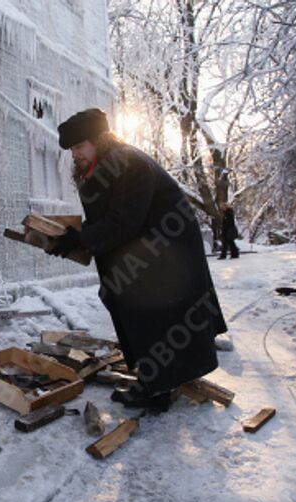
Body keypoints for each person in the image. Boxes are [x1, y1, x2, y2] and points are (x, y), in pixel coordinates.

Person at [47, 108, 227, 411]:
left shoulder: (130, 163)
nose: (74, 155)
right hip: (142, 245)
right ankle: (155, 378)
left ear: (97, 141)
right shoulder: (99, 168)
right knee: (129, 304)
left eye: (79, 147)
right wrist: (72, 239)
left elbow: (125, 219)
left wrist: (81, 238)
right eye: (72, 149)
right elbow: (107, 220)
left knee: (154, 314)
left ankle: (157, 390)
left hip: (168, 247)